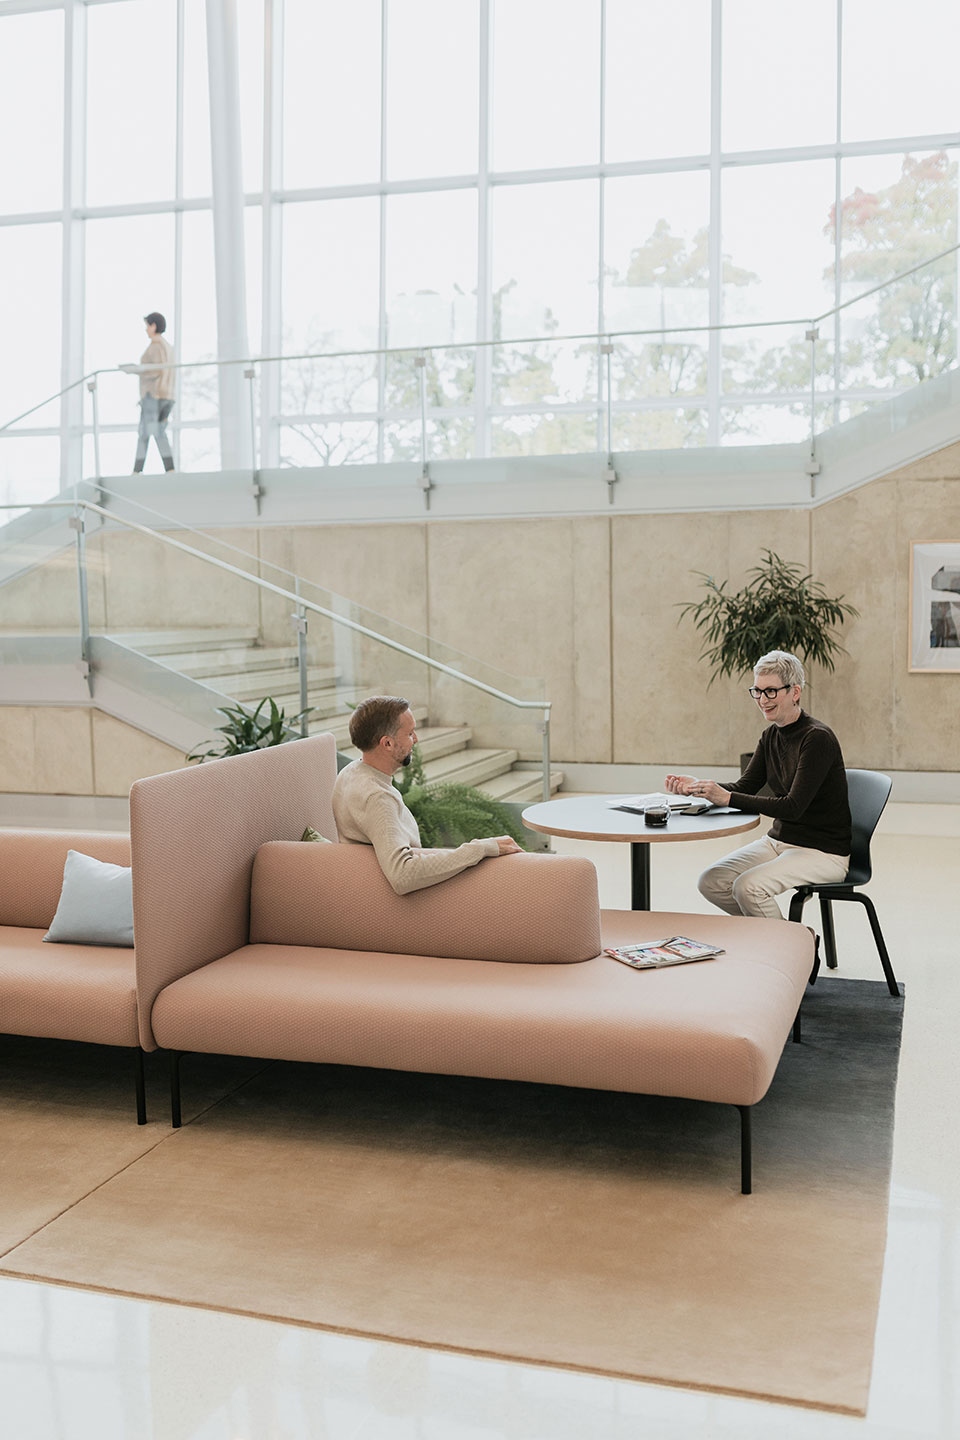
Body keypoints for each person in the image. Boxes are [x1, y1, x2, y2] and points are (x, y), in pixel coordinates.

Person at [664, 650, 851, 921]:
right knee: (711, 882)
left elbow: (793, 807)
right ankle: (774, 937)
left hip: (823, 852)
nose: (763, 700)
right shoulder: (770, 735)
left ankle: (790, 943)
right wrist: (700, 787)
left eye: (771, 691)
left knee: (748, 888)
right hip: (779, 841)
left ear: (795, 692)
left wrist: (727, 798)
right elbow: (745, 786)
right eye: (758, 691)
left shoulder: (817, 739)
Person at [332, 695, 523, 895]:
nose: (416, 739)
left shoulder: (351, 772)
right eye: (410, 733)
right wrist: (481, 848)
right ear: (387, 743)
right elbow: (403, 874)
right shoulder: (377, 798)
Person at [125, 312, 175, 473]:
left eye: (147, 325)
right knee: (154, 431)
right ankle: (167, 469)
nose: (146, 329)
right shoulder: (167, 347)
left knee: (147, 433)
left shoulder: (156, 346)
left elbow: (157, 370)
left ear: (153, 326)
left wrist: (137, 370)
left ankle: (139, 470)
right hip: (165, 395)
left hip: (153, 396)